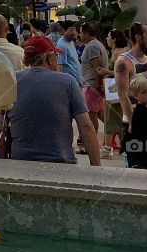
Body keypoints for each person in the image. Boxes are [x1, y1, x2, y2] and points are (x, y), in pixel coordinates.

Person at [7, 35, 101, 165]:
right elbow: (86, 126)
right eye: (56, 57)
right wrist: (96, 167)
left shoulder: (12, 81)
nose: (57, 60)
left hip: (20, 161)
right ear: (49, 58)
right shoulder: (67, 82)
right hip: (60, 162)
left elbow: (0, 125)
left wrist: (3, 162)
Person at [113, 23, 147, 151]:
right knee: (139, 161)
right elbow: (123, 95)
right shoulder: (124, 62)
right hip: (135, 117)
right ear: (138, 37)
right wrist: (134, 122)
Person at [78, 23, 109, 156]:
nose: (80, 35)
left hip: (92, 85)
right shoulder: (97, 44)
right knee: (102, 115)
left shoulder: (91, 47)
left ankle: (92, 143)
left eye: (81, 32)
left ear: (86, 33)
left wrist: (99, 84)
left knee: (92, 115)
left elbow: (98, 68)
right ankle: (119, 134)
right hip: (94, 84)